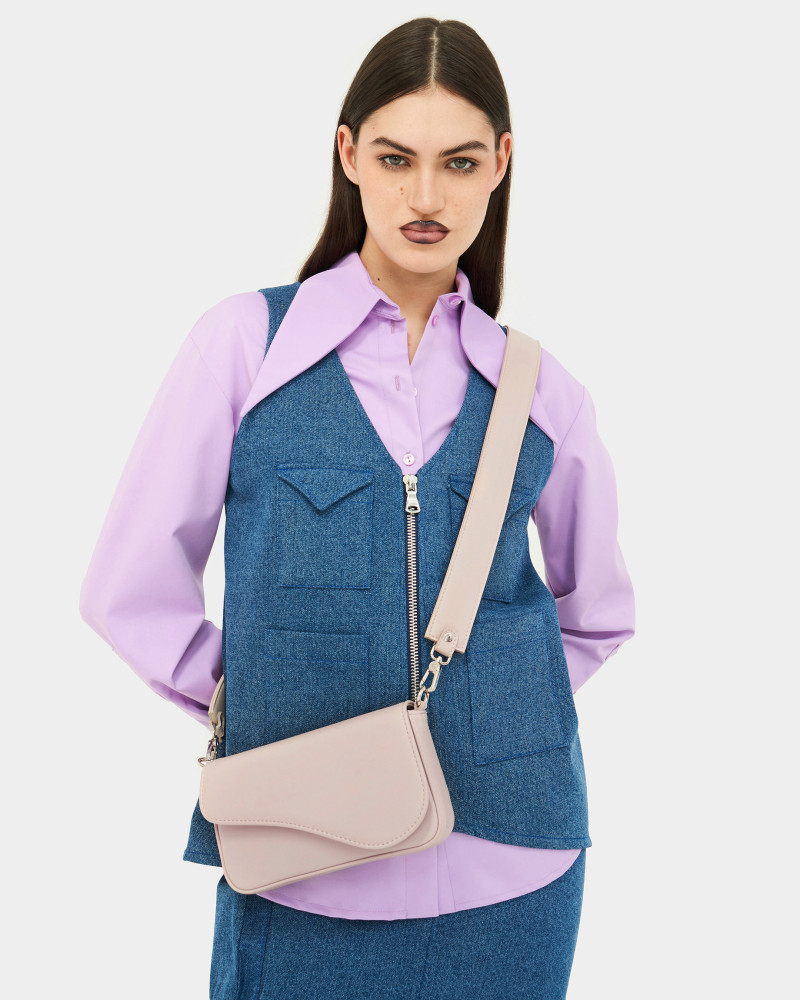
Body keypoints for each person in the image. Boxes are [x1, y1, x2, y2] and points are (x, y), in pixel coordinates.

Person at [79, 16, 635, 1000]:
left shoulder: (540, 391)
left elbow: (599, 611)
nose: (425, 196)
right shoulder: (244, 346)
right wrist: (255, 697)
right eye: (394, 157)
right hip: (302, 858)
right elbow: (128, 591)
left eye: (459, 162)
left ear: (500, 164)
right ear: (347, 155)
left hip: (517, 869)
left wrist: (500, 705)